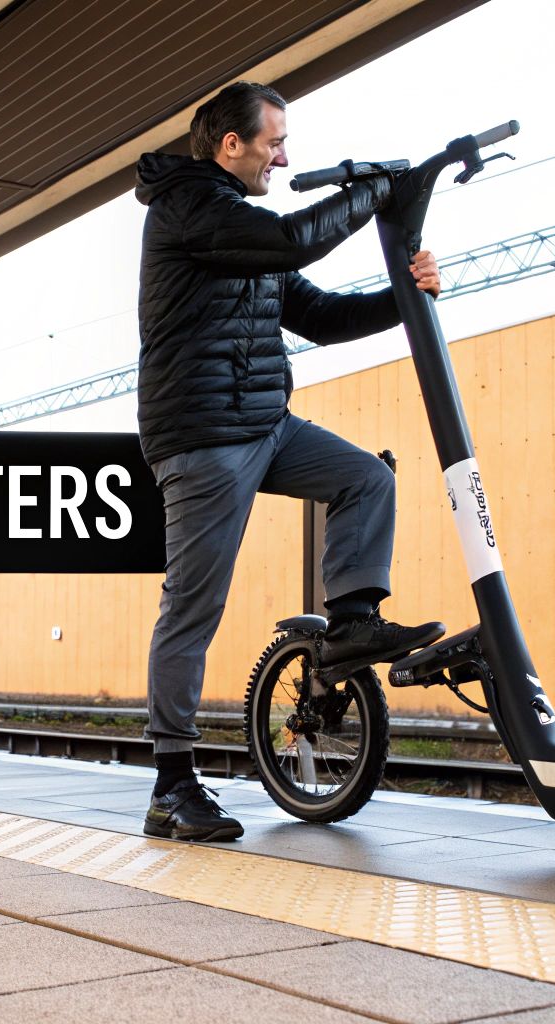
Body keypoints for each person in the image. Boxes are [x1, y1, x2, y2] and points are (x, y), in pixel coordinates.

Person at [134, 82, 445, 842]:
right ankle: (172, 788)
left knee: (365, 477)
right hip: (203, 438)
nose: (284, 155)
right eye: (274, 142)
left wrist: (405, 295)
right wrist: (371, 195)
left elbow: (322, 318)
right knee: (193, 608)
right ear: (229, 145)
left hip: (266, 424)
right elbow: (291, 240)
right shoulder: (189, 210)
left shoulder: (246, 230)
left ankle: (351, 622)